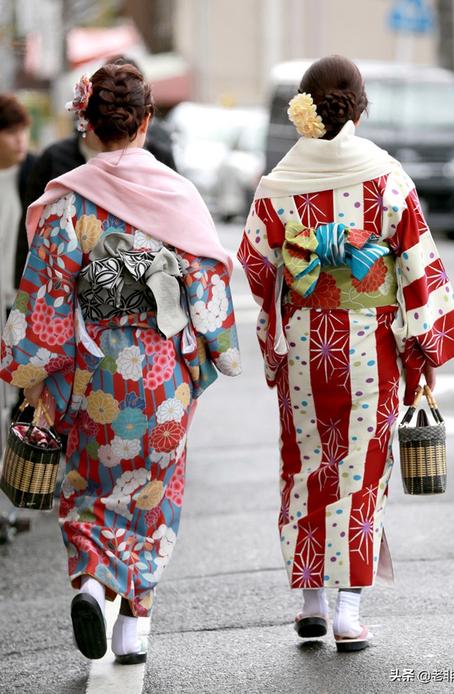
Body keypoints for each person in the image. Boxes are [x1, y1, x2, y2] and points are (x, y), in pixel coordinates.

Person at [0, 63, 241, 663]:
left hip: (91, 375)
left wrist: (30, 375)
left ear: (87, 123)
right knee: (154, 495)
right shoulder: (176, 196)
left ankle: (90, 584)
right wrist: (217, 353)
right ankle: (133, 628)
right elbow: (208, 289)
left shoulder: (65, 205)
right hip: (161, 378)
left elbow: (46, 305)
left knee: (87, 490)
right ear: (145, 121)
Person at [237, 55, 454, 652]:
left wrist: (287, 307)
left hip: (308, 347)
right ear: (361, 107)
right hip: (372, 345)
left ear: (304, 111)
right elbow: (417, 268)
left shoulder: (278, 185)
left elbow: (258, 266)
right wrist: (424, 351)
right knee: (361, 474)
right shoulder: (389, 180)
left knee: (306, 466)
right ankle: (347, 612)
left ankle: (311, 603)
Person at [14, 55, 176, 290]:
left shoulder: (62, 199)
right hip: (160, 321)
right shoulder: (180, 192)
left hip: (84, 324)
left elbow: (47, 287)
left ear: (87, 117)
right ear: (145, 120)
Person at [0, 94, 35, 310]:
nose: (20, 139)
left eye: (23, 130)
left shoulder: (36, 172)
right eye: (11, 132)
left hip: (21, 292)